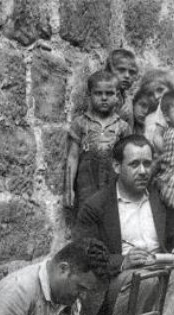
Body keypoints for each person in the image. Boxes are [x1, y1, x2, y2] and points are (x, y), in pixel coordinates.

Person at [75, 135, 174, 315]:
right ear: (117, 167)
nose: (143, 171)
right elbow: (84, 256)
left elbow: (172, 242)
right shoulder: (96, 206)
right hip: (118, 278)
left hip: (160, 273)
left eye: (147, 164)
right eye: (134, 164)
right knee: (145, 278)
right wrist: (123, 261)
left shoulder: (160, 200)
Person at [64, 70, 131, 210]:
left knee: (111, 227)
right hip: (86, 189)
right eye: (98, 93)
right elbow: (73, 157)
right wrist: (68, 189)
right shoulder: (80, 123)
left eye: (109, 93)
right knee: (87, 226)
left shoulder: (123, 127)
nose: (104, 98)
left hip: (113, 189)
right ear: (89, 95)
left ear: (117, 96)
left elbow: (128, 160)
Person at [105, 48, 139, 127]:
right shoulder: (103, 98)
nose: (127, 76)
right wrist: (119, 119)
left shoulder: (127, 98)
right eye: (121, 70)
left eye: (131, 72)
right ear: (109, 71)